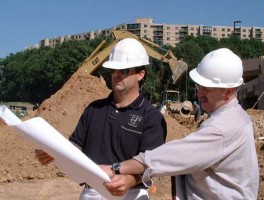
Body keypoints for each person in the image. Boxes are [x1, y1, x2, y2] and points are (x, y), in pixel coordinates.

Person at [102, 48, 259, 199]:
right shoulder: (233, 116)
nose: (199, 93)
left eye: (207, 89)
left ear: (229, 91)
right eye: (199, 86)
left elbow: (170, 157)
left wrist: (115, 168)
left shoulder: (223, 128)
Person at [35, 38, 167, 200]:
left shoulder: (152, 117)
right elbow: (74, 149)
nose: (117, 74)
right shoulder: (94, 110)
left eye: (124, 70)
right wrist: (54, 152)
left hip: (131, 194)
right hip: (92, 193)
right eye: (113, 70)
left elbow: (151, 164)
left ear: (140, 74)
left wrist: (128, 180)